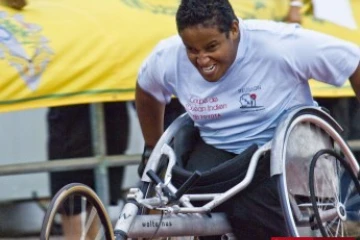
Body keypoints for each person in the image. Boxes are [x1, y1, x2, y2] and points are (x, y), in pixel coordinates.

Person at [135, 0, 360, 239]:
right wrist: (151, 147)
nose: (202, 59)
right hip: (219, 146)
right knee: (195, 199)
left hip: (283, 147)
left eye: (211, 47)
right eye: (192, 49)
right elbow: (147, 89)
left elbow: (353, 62)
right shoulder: (168, 56)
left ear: (234, 30)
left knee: (248, 206)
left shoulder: (279, 43)